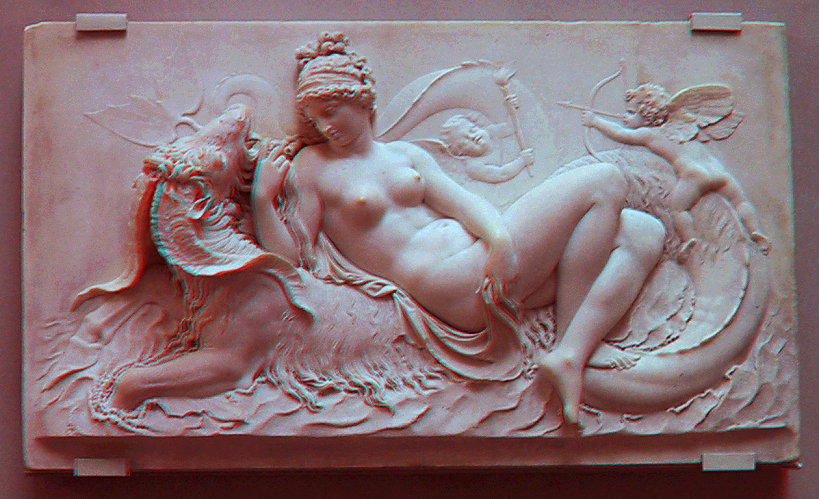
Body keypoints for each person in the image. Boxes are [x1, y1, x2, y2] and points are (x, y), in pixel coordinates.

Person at [253, 32, 666, 425]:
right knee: (603, 180)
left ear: (360, 99)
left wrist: (500, 242)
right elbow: (292, 259)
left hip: (487, 264)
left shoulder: (405, 154)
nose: (325, 126)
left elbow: (465, 205)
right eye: (315, 118)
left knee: (644, 232)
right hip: (450, 285)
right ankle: (570, 342)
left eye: (331, 111)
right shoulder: (313, 166)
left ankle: (572, 354)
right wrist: (261, 200)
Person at [582, 83, 769, 261]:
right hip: (718, 171)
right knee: (740, 201)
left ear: (647, 114)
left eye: (631, 113)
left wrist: (595, 121)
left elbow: (620, 133)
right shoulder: (683, 127)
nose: (624, 117)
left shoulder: (649, 134)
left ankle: (689, 239)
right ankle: (754, 231)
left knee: (677, 209)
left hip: (694, 175)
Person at [439, 112, 535, 183]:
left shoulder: (490, 132)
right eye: (465, 142)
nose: (472, 137)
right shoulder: (474, 167)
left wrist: (512, 108)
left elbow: (511, 126)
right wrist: (522, 161)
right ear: (460, 153)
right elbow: (502, 174)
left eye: (473, 130)